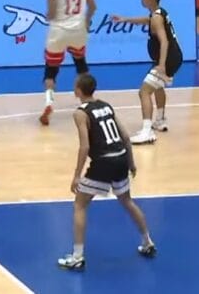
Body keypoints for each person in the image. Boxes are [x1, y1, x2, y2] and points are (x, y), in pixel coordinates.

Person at [57, 73, 156, 270]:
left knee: (80, 205)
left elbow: (85, 146)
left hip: (103, 162)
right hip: (120, 158)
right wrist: (131, 163)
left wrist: (76, 175)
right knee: (127, 201)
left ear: (78, 90)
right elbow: (125, 137)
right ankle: (147, 242)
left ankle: (77, 256)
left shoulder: (80, 113)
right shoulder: (106, 106)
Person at [111, 0, 183, 145]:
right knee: (157, 86)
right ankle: (160, 120)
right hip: (174, 57)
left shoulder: (156, 18)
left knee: (144, 91)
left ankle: (146, 131)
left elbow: (164, 41)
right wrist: (125, 19)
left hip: (168, 59)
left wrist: (162, 66)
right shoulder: (158, 13)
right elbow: (147, 20)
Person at [40, 0, 96, 126]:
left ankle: (49, 104)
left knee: (50, 72)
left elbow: (51, 12)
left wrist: (48, 16)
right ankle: (88, 103)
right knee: (81, 66)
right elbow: (93, 6)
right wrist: (86, 21)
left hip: (59, 31)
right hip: (78, 29)